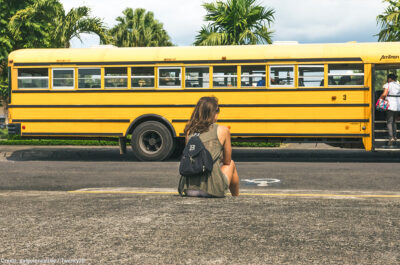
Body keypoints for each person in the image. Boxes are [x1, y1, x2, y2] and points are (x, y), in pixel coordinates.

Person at [181, 96, 240, 197]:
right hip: (211, 190)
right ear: (213, 113)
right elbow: (227, 161)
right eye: (217, 110)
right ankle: (236, 197)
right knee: (231, 164)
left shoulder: (189, 131)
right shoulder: (223, 130)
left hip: (188, 190)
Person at [379, 73, 400, 146]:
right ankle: (395, 136)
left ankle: (391, 137)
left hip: (390, 105)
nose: (387, 80)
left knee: (389, 122)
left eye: (388, 78)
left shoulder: (388, 85)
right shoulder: (398, 85)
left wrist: (380, 99)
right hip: (398, 105)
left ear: (390, 79)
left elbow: (384, 94)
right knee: (394, 122)